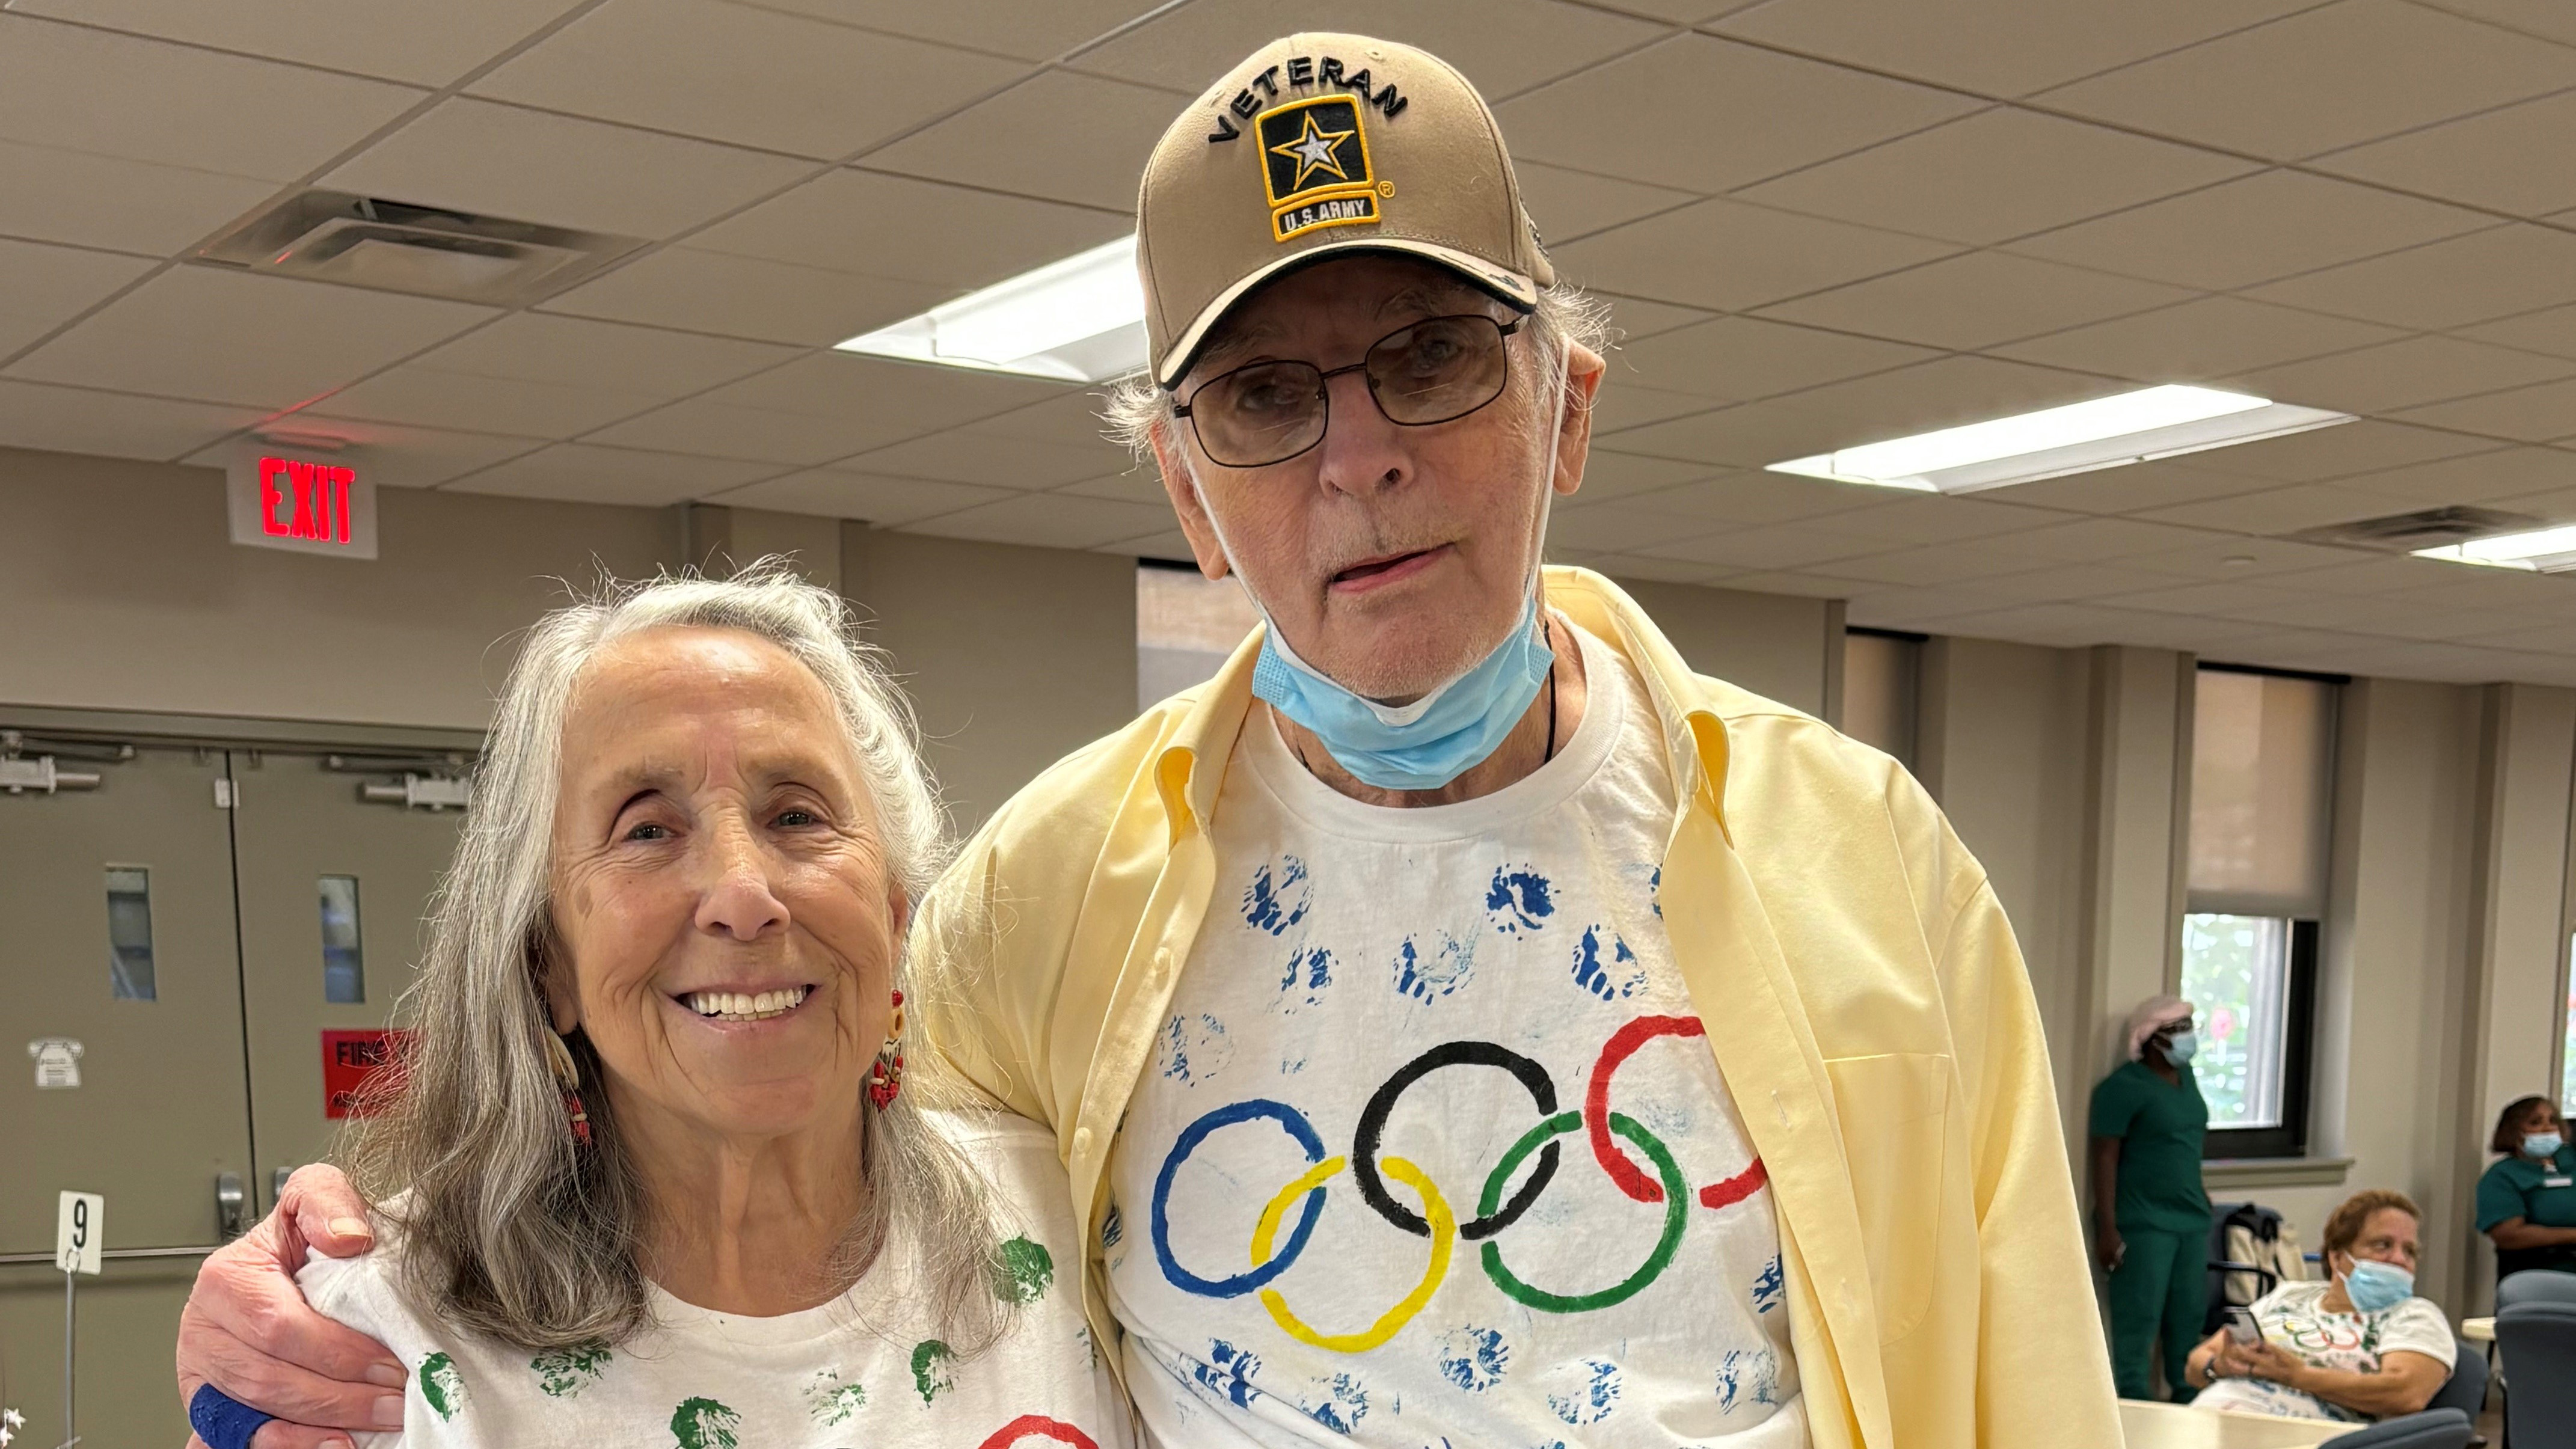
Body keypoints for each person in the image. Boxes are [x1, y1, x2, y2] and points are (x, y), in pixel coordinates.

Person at [174, 32, 2119, 1449]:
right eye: (1265, 396)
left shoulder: (1862, 862)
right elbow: (732, 1147)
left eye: (1431, 357)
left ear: (1569, 409)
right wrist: (307, 1285)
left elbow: (2033, 1379)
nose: (1359, 454)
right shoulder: (1043, 898)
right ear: (1187, 497)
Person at [177, 572, 1125, 1449]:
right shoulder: (377, 1343)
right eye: (647, 828)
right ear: (548, 959)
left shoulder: (1078, 1225)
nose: (743, 893)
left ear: (890, 913)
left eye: (796, 814)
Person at [2183, 1189, 2452, 1424]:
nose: (2398, 1259)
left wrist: (2297, 1376)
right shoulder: (2289, 1295)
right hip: (2215, 1418)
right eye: (2383, 1245)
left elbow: (2406, 1393)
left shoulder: (2415, 1315)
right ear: (2337, 1257)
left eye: (2409, 1251)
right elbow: (2196, 1363)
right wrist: (2221, 1366)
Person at [2088, 995, 2215, 1402]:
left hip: (2192, 1219)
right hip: (2144, 1223)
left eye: (2189, 1027)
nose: (2187, 1038)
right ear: (2151, 1037)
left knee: (2187, 1320)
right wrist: (2108, 1228)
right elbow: (2105, 1157)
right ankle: (2132, 1409)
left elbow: (2186, 1142)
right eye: (2177, 1030)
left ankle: (2187, 1406)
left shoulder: (2188, 1079)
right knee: (2138, 1324)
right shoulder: (2122, 1088)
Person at [2477, 1094, 2576, 1279]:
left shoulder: (2571, 1159)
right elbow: (2509, 1236)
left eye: (2553, 1121)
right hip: (2537, 1274)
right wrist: (2572, 1235)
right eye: (2536, 1123)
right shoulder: (2502, 1176)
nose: (2547, 1128)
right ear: (2515, 1131)